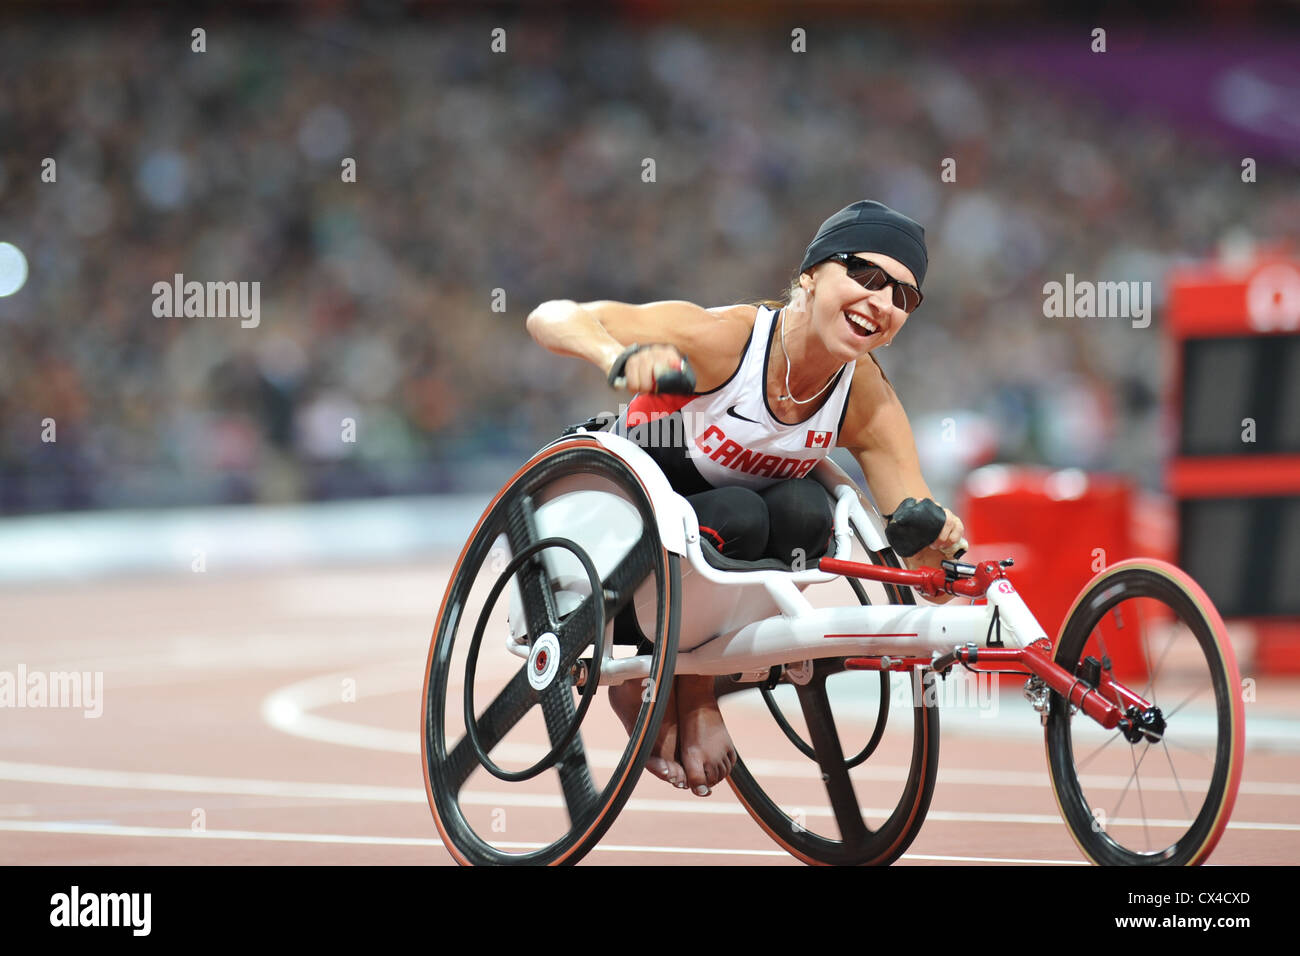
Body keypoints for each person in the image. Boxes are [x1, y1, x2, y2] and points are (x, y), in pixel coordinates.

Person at [525, 200, 966, 797]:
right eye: (865, 276)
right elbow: (553, 316)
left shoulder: (866, 396)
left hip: (721, 564)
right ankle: (651, 673)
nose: (883, 302)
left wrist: (941, 548)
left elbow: (913, 540)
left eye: (904, 297)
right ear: (810, 275)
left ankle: (697, 681)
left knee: (808, 513)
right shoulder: (727, 338)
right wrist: (616, 360)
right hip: (621, 536)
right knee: (742, 511)